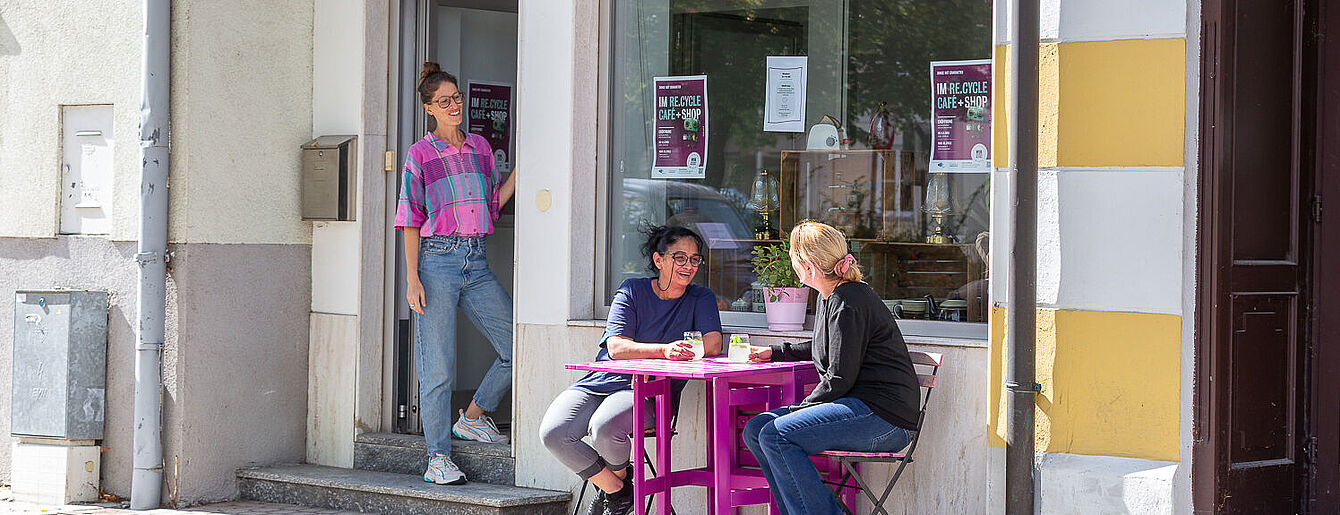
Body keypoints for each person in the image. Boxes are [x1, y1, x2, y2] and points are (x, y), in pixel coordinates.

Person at [539, 225, 722, 515]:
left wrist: (685, 349)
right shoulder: (632, 290)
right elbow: (616, 348)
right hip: (600, 380)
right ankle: (620, 491)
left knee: (603, 428)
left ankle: (613, 490)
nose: (689, 265)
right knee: (553, 433)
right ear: (659, 260)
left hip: (650, 392)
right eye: (680, 257)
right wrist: (664, 350)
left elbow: (713, 344)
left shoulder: (701, 298)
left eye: (694, 259)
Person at [741, 221, 921, 515]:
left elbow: (839, 377)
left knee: (775, 434)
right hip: (862, 409)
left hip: (885, 421)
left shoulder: (849, 301)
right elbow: (826, 346)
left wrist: (800, 410)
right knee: (756, 429)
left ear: (808, 266)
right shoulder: (833, 296)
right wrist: (772, 353)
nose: (791, 263)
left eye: (793, 257)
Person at [394, 62, 518, 485]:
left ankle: (473, 416)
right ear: (429, 108)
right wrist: (412, 278)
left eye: (457, 98)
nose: (454, 106)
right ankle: (437, 459)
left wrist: (522, 172)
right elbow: (410, 219)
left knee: (516, 347)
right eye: (444, 101)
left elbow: (491, 207)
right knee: (438, 367)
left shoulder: (481, 148)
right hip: (436, 263)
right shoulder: (420, 154)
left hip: (476, 261)